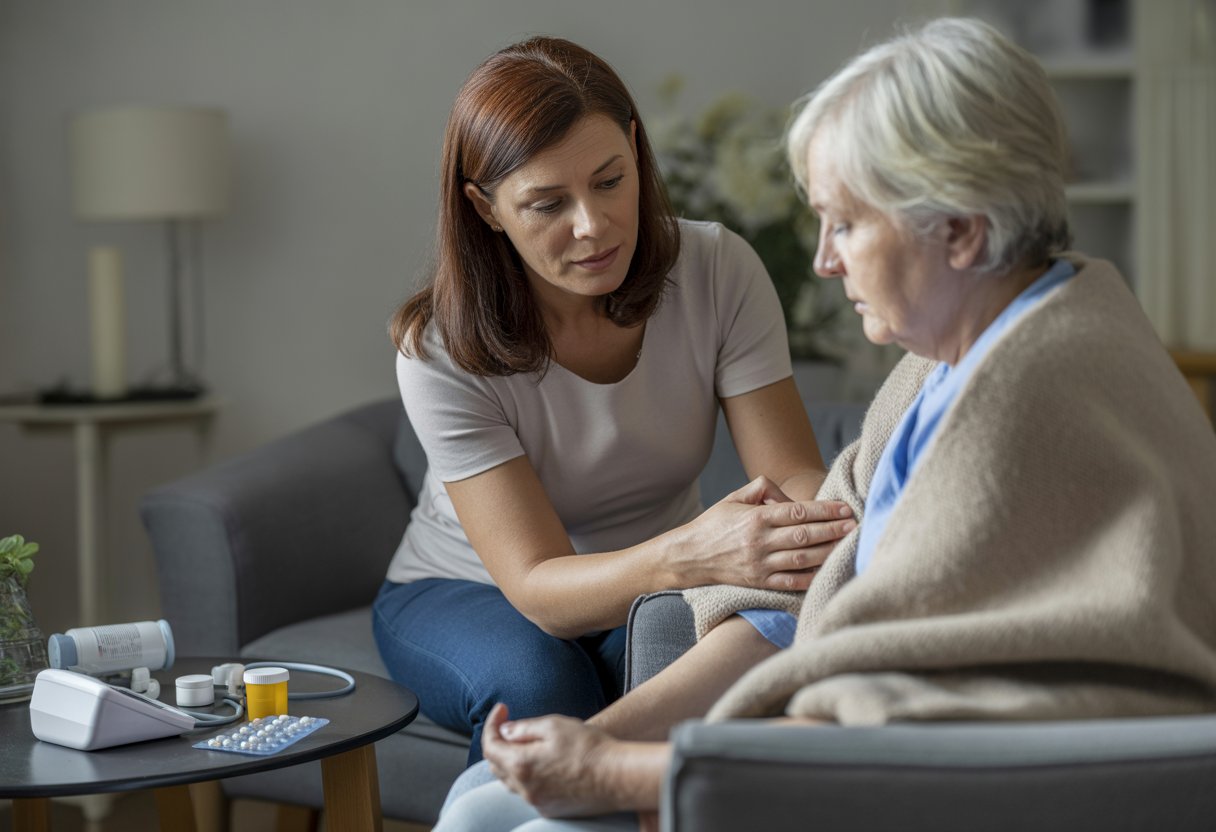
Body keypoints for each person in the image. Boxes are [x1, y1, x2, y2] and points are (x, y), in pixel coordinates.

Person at [435, 17, 1216, 831]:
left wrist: (615, 771)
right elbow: (806, 586)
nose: (823, 260)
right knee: (481, 803)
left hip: (965, 788)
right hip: (868, 761)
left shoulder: (1030, 401)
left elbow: (908, 716)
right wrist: (599, 741)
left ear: (960, 231)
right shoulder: (945, 364)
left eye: (845, 223)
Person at [374, 36, 855, 765]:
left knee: (718, 660)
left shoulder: (717, 270)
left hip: (655, 578)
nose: (592, 225)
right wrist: (691, 555)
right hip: (468, 587)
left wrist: (846, 535)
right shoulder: (439, 348)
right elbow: (538, 587)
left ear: (635, 148)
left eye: (609, 181)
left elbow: (791, 476)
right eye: (547, 203)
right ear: (486, 208)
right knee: (541, 687)